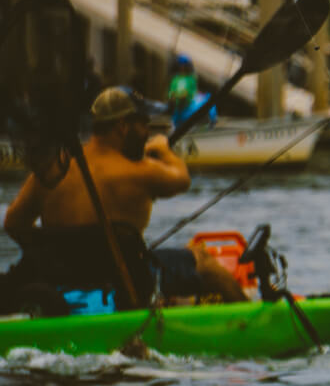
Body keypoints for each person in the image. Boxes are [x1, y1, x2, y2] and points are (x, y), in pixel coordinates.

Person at [4, 87, 246, 303]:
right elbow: (181, 179)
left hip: (60, 278)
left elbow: (14, 224)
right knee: (201, 258)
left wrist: (54, 251)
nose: (147, 132)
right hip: (127, 280)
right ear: (122, 127)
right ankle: (256, 319)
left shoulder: (53, 171)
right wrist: (163, 149)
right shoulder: (139, 171)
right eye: (144, 124)